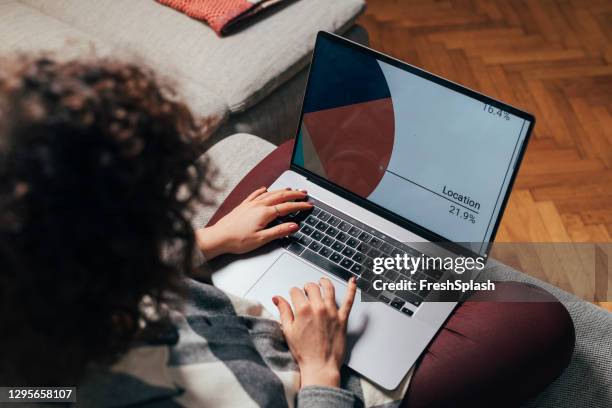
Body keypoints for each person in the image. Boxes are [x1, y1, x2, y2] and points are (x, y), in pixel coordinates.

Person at [0, 58, 574, 407]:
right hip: (296, 372)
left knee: (295, 165)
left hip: (210, 311)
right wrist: (322, 369)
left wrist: (210, 242)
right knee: (537, 321)